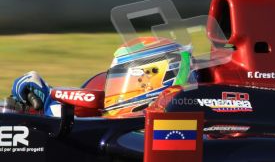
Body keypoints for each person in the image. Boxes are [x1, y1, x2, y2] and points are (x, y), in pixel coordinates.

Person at [9, 37, 196, 117]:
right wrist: (45, 95)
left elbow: (86, 129)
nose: (114, 88)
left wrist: (49, 106)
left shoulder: (147, 127)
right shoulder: (115, 110)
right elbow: (89, 110)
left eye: (123, 79)